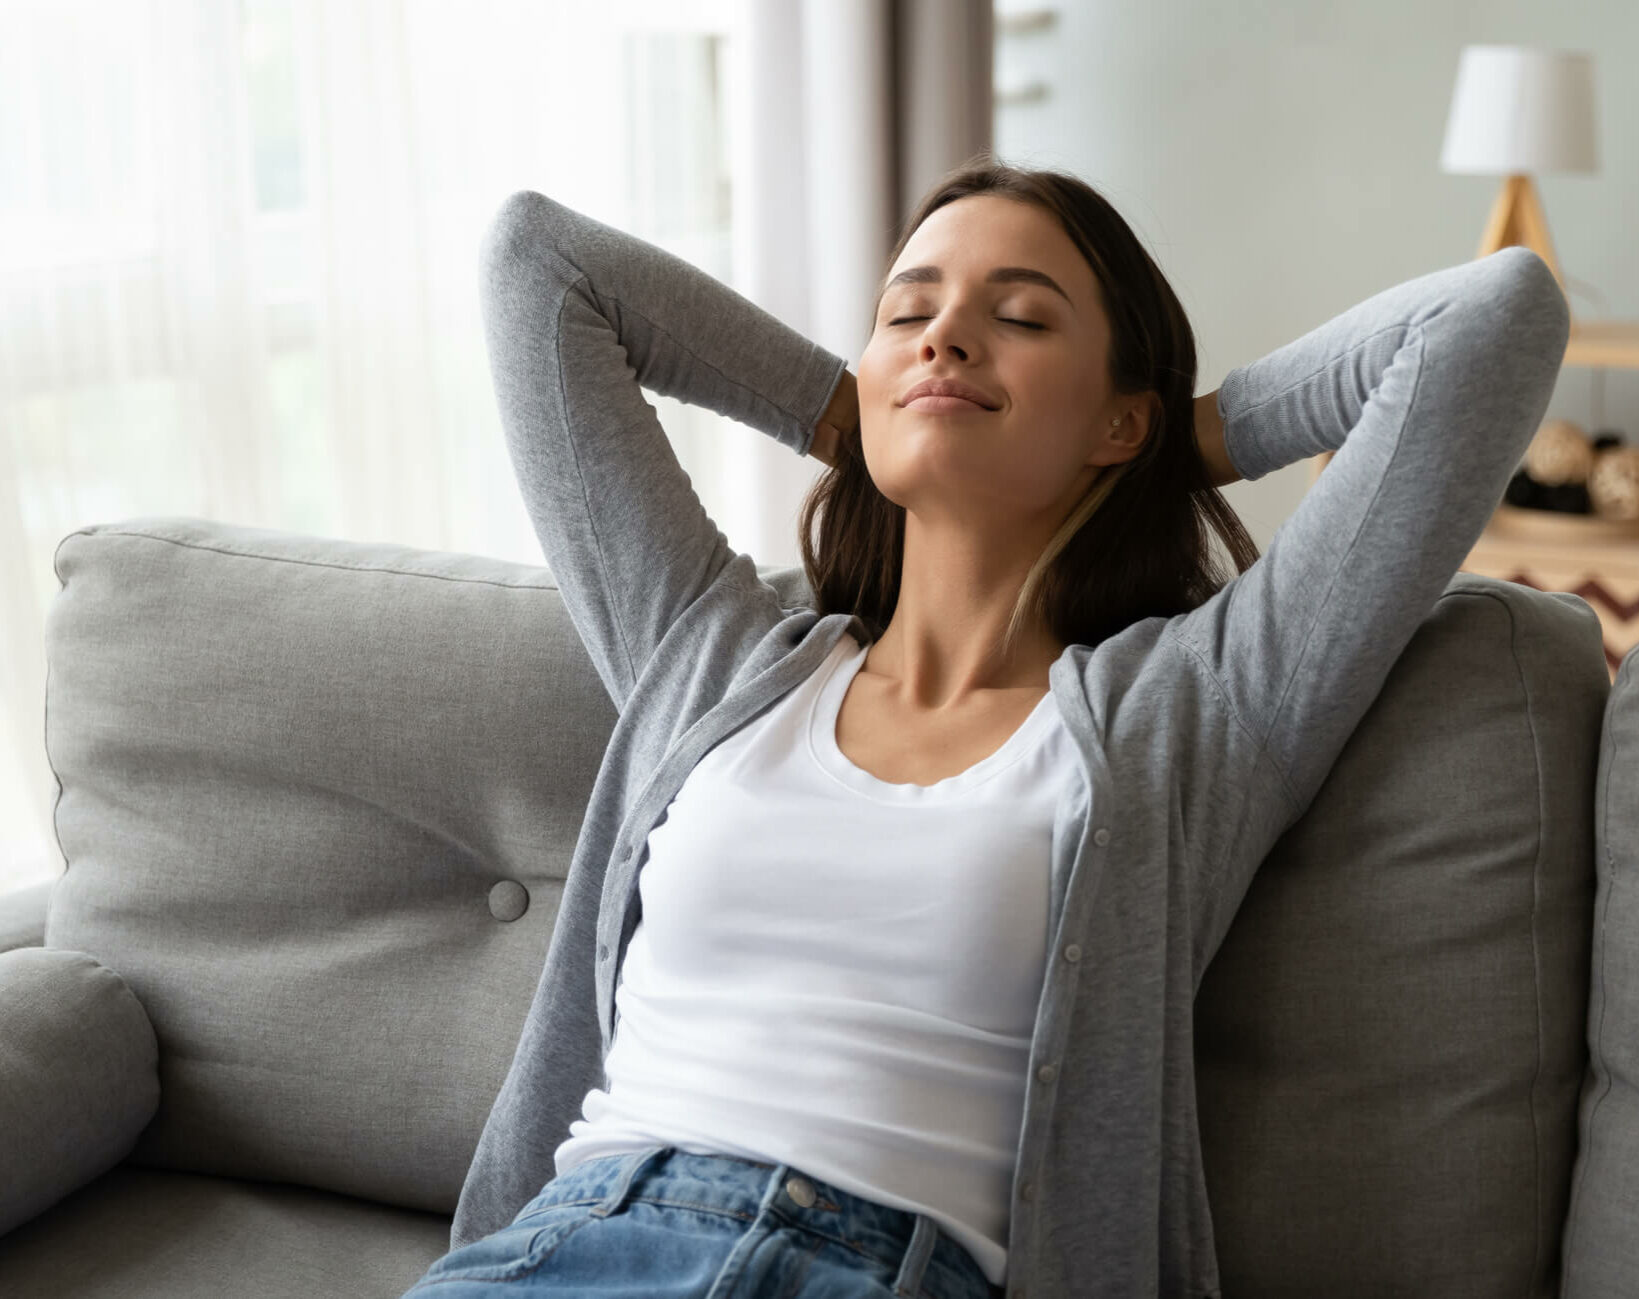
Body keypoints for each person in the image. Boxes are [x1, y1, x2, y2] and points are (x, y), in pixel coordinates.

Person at [404, 155, 1569, 1299]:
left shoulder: (1195, 709)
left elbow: (1492, 319)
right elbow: (538, 266)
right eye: (908, 312)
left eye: (1017, 318)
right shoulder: (709, 661)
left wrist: (1177, 446)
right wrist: (847, 409)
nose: (944, 336)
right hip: (570, 1250)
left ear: (1119, 419)